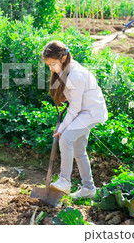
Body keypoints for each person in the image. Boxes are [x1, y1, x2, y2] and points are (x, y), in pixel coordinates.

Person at [42, 41, 108, 199]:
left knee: (65, 140)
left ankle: (65, 180)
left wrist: (62, 128)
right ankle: (88, 188)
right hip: (84, 111)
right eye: (48, 65)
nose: (50, 68)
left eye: (52, 64)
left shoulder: (76, 75)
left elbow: (75, 109)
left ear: (63, 58)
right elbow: (74, 104)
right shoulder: (68, 68)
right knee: (79, 150)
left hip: (91, 112)